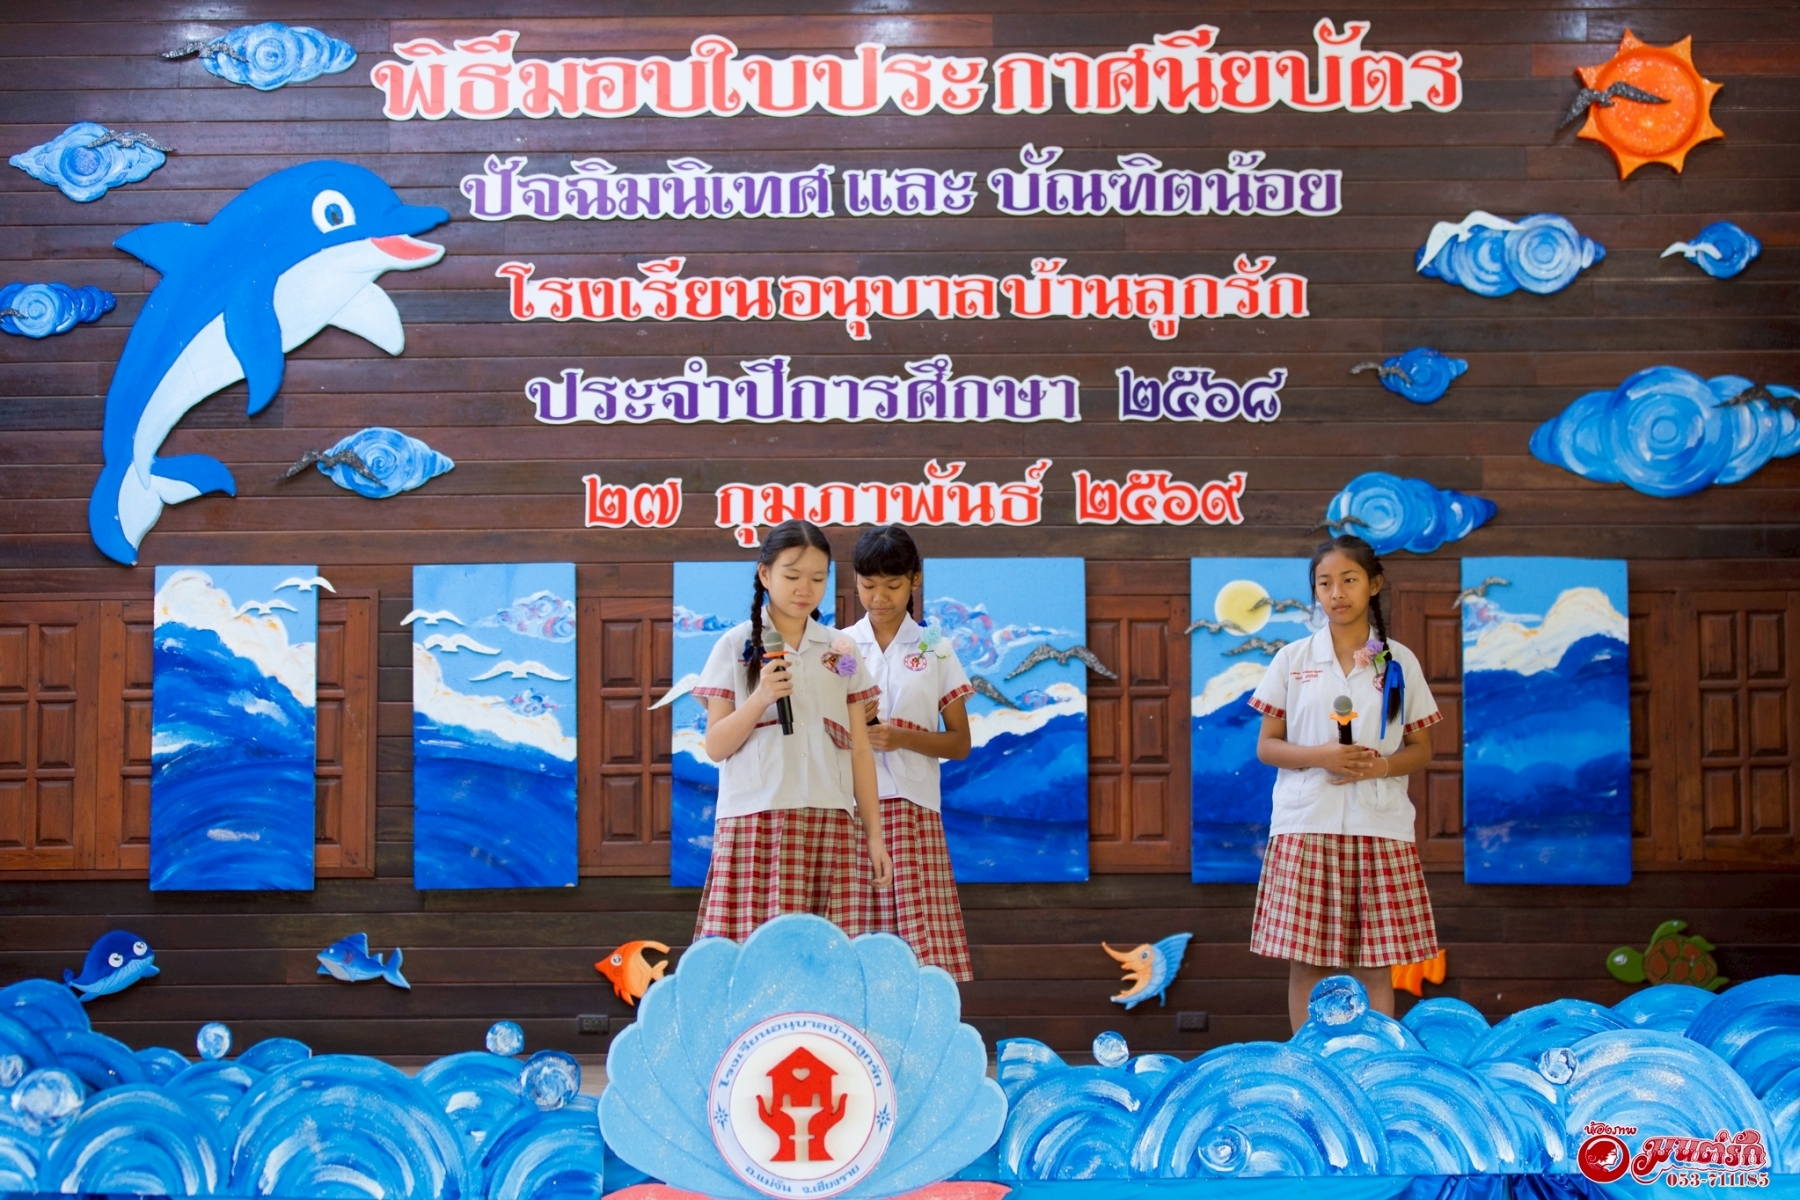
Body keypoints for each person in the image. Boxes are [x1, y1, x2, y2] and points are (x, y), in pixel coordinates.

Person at [1248, 534, 1442, 1031]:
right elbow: (1267, 746)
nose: (1336, 593)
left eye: (1349, 580)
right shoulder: (1293, 659)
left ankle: (1373, 1062)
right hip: (1306, 824)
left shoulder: (1398, 662)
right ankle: (1309, 1063)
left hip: (1379, 826)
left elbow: (1420, 747)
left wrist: (1379, 767)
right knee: (1308, 965)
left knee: (1374, 965)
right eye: (1324, 583)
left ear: (1374, 584)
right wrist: (1322, 756)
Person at [691, 519, 892, 943]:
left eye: (818, 578)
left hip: (831, 823)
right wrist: (761, 697)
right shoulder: (735, 646)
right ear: (765, 574)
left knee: (825, 959)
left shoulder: (841, 652)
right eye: (792, 575)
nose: (805, 588)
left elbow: (860, 750)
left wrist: (875, 837)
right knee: (755, 957)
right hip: (756, 825)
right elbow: (715, 746)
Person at [844, 525, 976, 980]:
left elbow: (960, 743)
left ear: (915, 580)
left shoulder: (935, 648)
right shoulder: (840, 648)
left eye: (893, 585)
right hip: (848, 808)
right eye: (868, 585)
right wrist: (851, 724)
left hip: (912, 810)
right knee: (852, 940)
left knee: (919, 953)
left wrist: (901, 737)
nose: (879, 597)